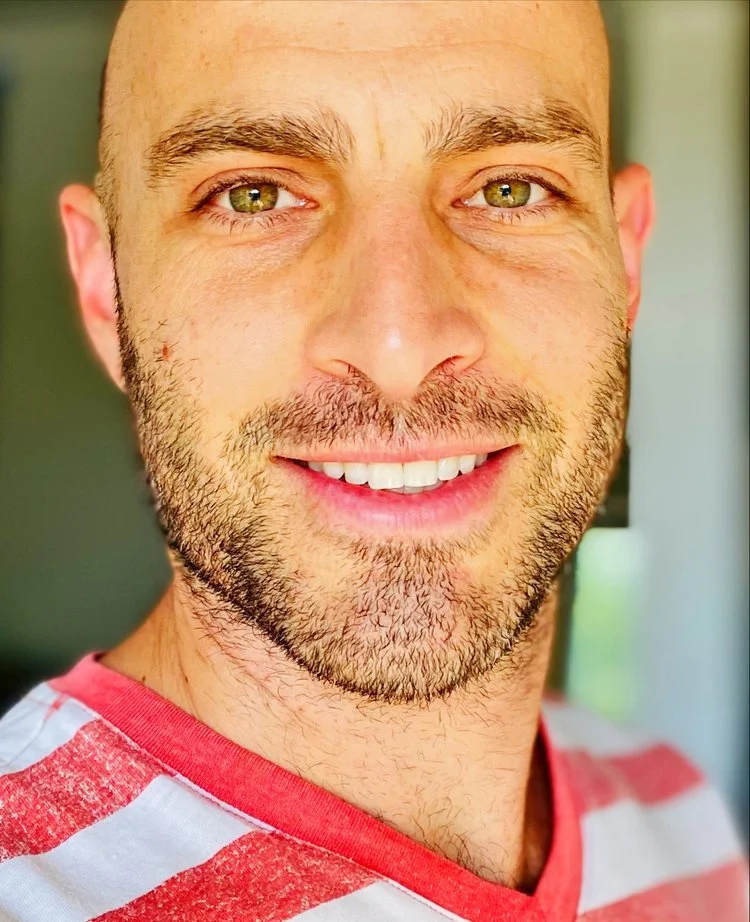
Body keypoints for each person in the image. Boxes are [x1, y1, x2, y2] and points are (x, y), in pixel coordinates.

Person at [0, 0, 746, 919]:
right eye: (252, 195)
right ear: (106, 289)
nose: (398, 345)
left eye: (510, 188)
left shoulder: (688, 829)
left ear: (624, 263)